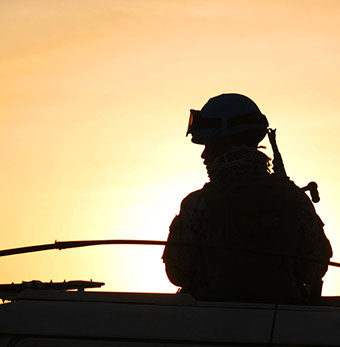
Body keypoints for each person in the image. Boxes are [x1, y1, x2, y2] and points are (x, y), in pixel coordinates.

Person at [162, 93, 332, 303]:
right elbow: (314, 269)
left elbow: (178, 273)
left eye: (208, 145)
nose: (204, 156)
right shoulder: (295, 198)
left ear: (226, 144)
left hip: (210, 325)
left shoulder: (199, 204)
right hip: (285, 327)